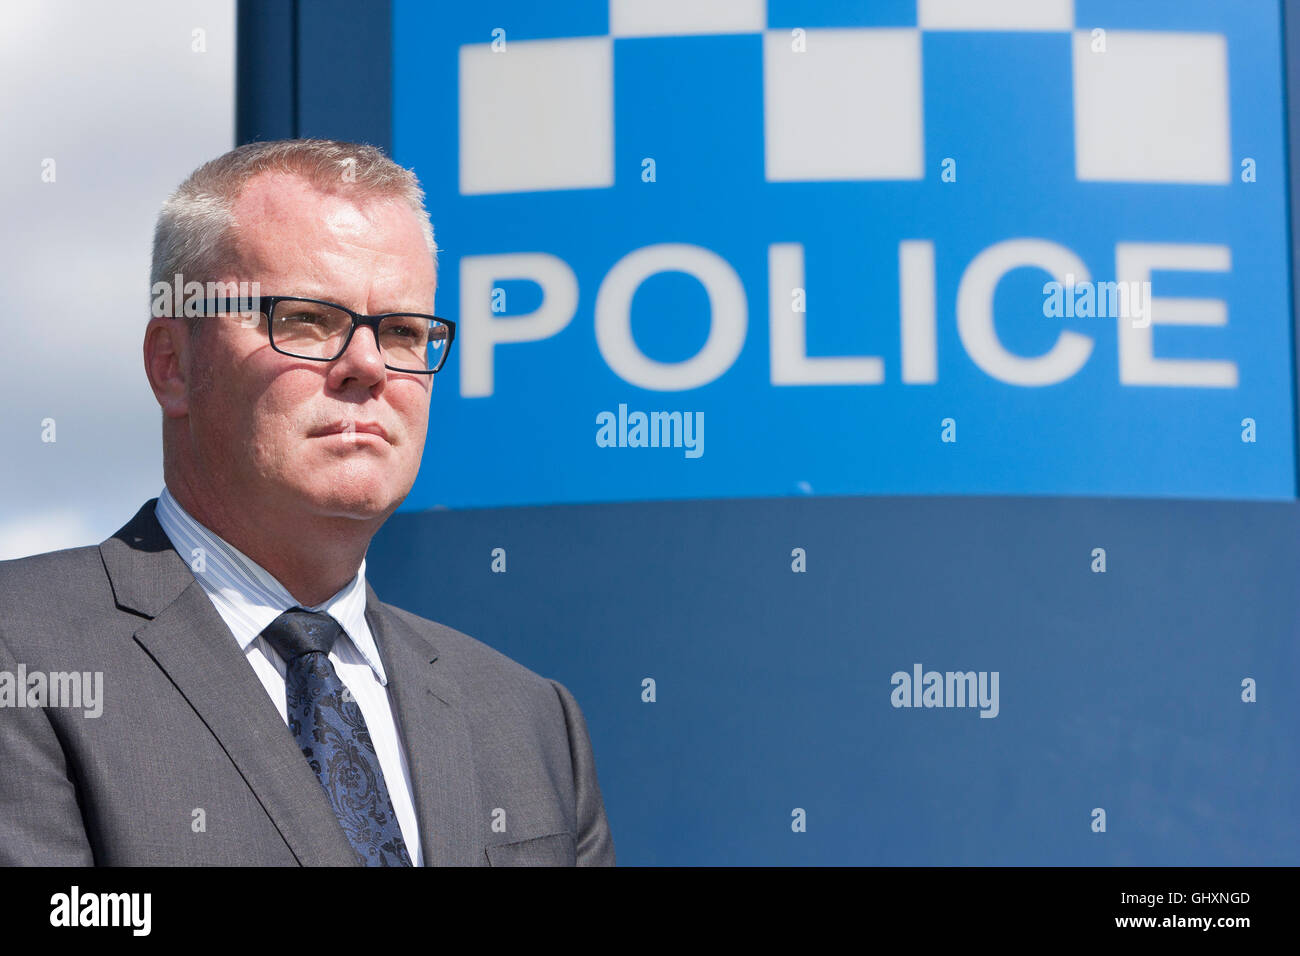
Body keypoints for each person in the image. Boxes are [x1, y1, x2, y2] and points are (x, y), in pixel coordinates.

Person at [0, 139, 615, 866]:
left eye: (403, 332)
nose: (366, 365)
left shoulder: (530, 722)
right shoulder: (26, 652)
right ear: (173, 365)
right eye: (305, 320)